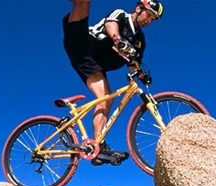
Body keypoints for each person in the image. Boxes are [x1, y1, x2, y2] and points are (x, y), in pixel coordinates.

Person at [62, 0, 163, 165]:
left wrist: (141, 75)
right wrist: (117, 39)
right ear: (139, 8)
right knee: (84, 2)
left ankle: (97, 147)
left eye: (153, 19)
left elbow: (133, 64)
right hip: (82, 43)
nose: (149, 20)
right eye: (148, 14)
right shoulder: (121, 15)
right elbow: (111, 26)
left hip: (90, 64)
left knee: (106, 99)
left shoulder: (139, 40)